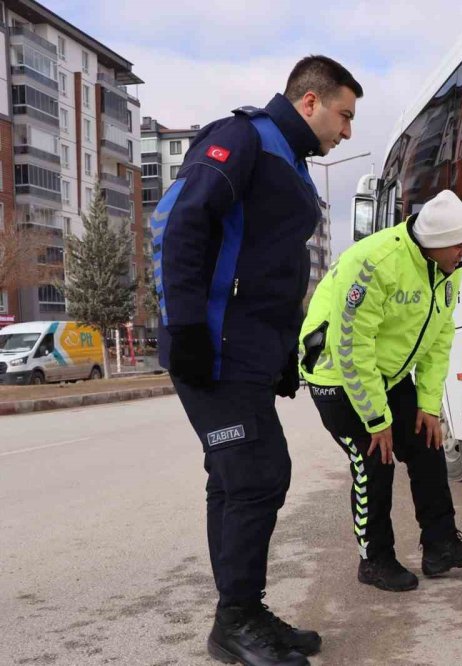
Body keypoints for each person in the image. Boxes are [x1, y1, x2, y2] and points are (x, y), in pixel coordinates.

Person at [151, 55, 362, 666]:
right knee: (255, 475)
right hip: (212, 347)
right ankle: (235, 620)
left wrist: (282, 352)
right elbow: (177, 223)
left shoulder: (289, 162)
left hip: (245, 351)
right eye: (344, 117)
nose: (347, 132)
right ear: (310, 102)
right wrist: (185, 326)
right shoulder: (242, 138)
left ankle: (241, 608)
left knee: (241, 477)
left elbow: (268, 268)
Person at [300, 189, 462, 592]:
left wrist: (427, 405)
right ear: (437, 243)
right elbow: (352, 348)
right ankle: (375, 560)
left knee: (427, 444)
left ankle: (441, 545)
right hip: (338, 376)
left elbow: (440, 336)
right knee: (376, 460)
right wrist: (376, 419)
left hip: (387, 376)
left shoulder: (447, 267)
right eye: (461, 245)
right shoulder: (373, 263)